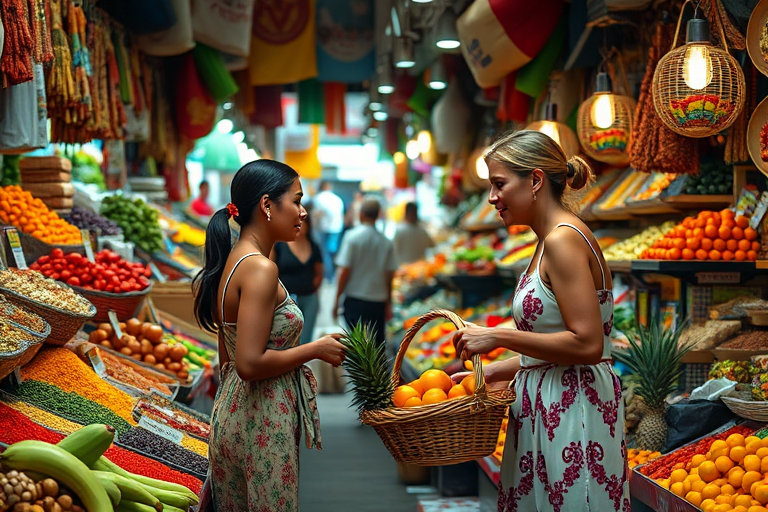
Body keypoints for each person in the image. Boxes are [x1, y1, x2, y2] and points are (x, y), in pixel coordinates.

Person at [451, 130, 628, 512]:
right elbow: (555, 341)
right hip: (549, 404)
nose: (492, 197)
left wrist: (499, 336)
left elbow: (587, 344)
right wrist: (500, 369)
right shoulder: (546, 240)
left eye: (499, 184)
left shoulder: (563, 241)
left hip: (574, 410)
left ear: (534, 180)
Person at [192, 160, 346, 511]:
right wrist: (315, 349)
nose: (303, 212)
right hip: (261, 416)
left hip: (234, 410)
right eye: (296, 200)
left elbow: (227, 357)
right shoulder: (260, 268)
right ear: (266, 205)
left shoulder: (234, 260)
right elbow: (248, 363)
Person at [334, 197, 397, 345]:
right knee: (376, 346)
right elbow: (390, 276)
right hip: (378, 301)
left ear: (361, 214)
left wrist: (336, 300)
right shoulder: (386, 242)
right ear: (378, 215)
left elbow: (344, 271)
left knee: (358, 347)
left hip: (355, 299)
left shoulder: (351, 237)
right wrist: (389, 303)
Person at [271, 207, 323, 346]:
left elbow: (319, 271)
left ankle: (300, 366)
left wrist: (313, 285)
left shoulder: (314, 246)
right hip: (284, 301)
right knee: (285, 339)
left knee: (305, 339)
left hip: (308, 297)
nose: (301, 225)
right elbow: (270, 269)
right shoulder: (280, 245)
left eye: (304, 222)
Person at [312, 180, 345, 281]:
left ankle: (329, 275)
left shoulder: (319, 198)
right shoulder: (337, 199)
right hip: (337, 228)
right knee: (333, 252)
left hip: (324, 228)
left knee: (324, 253)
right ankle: (333, 274)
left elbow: (318, 213)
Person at [393, 202, 435, 266]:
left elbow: (394, 250)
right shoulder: (422, 231)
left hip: (406, 269)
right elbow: (432, 245)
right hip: (418, 269)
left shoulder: (400, 230)